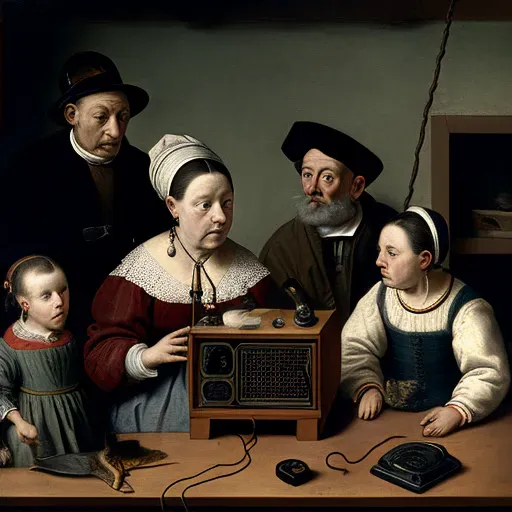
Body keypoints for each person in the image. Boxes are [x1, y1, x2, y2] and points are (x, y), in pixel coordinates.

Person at [83, 134, 276, 433]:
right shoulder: (139, 270)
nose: (220, 217)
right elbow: (101, 349)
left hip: (238, 401)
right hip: (157, 406)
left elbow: (284, 337)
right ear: (173, 206)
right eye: (204, 205)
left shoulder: (250, 270)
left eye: (227, 203)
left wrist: (253, 326)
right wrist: (146, 356)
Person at [0, 51, 168, 337]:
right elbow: (12, 244)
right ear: (72, 115)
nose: (115, 131)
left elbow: (161, 239)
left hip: (125, 311)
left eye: (122, 117)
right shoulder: (30, 166)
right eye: (101, 117)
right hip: (58, 312)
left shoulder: (142, 166)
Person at [340, 206, 511, 437]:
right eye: (380, 250)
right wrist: (366, 387)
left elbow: (488, 371)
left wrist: (457, 410)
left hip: (449, 422)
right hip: (387, 418)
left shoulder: (467, 307)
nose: (379, 261)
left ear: (424, 260)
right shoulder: (381, 295)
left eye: (392, 253)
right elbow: (353, 347)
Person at [260, 121, 396, 327]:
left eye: (327, 177)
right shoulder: (281, 248)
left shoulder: (391, 231)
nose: (312, 188)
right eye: (307, 175)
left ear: (356, 187)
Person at [0, 255, 94, 467]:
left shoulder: (75, 331)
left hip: (77, 420)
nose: (59, 302)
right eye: (46, 296)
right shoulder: (12, 344)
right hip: (35, 426)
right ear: (25, 304)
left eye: (62, 290)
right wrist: (19, 422)